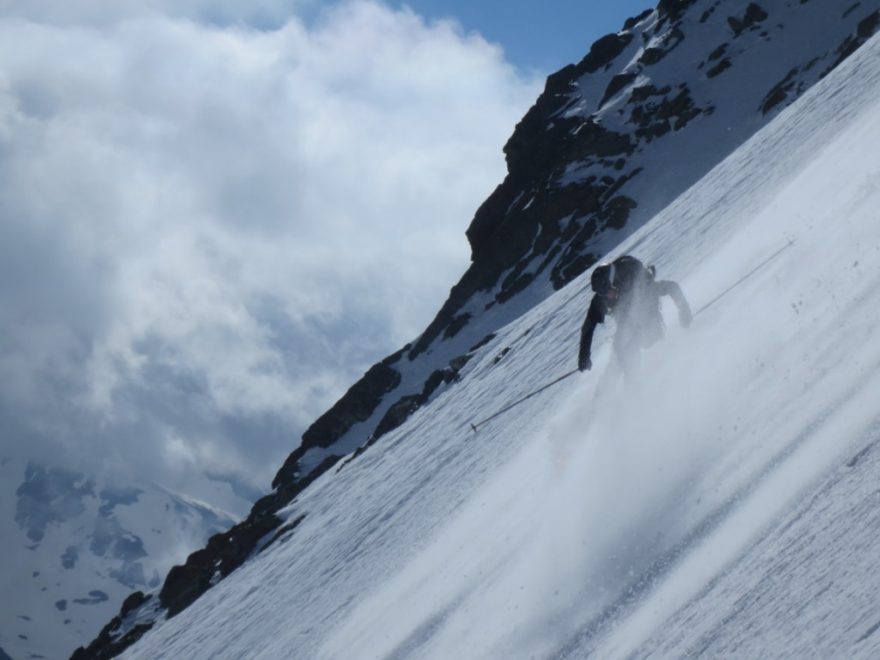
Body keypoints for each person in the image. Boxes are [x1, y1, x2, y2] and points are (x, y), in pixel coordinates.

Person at [578, 255, 692, 377]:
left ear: (614, 283)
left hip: (650, 324)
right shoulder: (602, 298)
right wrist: (584, 356)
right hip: (628, 327)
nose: (606, 296)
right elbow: (588, 325)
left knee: (627, 345)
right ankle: (619, 384)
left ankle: (638, 380)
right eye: (601, 294)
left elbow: (672, 287)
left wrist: (685, 312)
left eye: (607, 292)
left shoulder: (639, 284)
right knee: (620, 349)